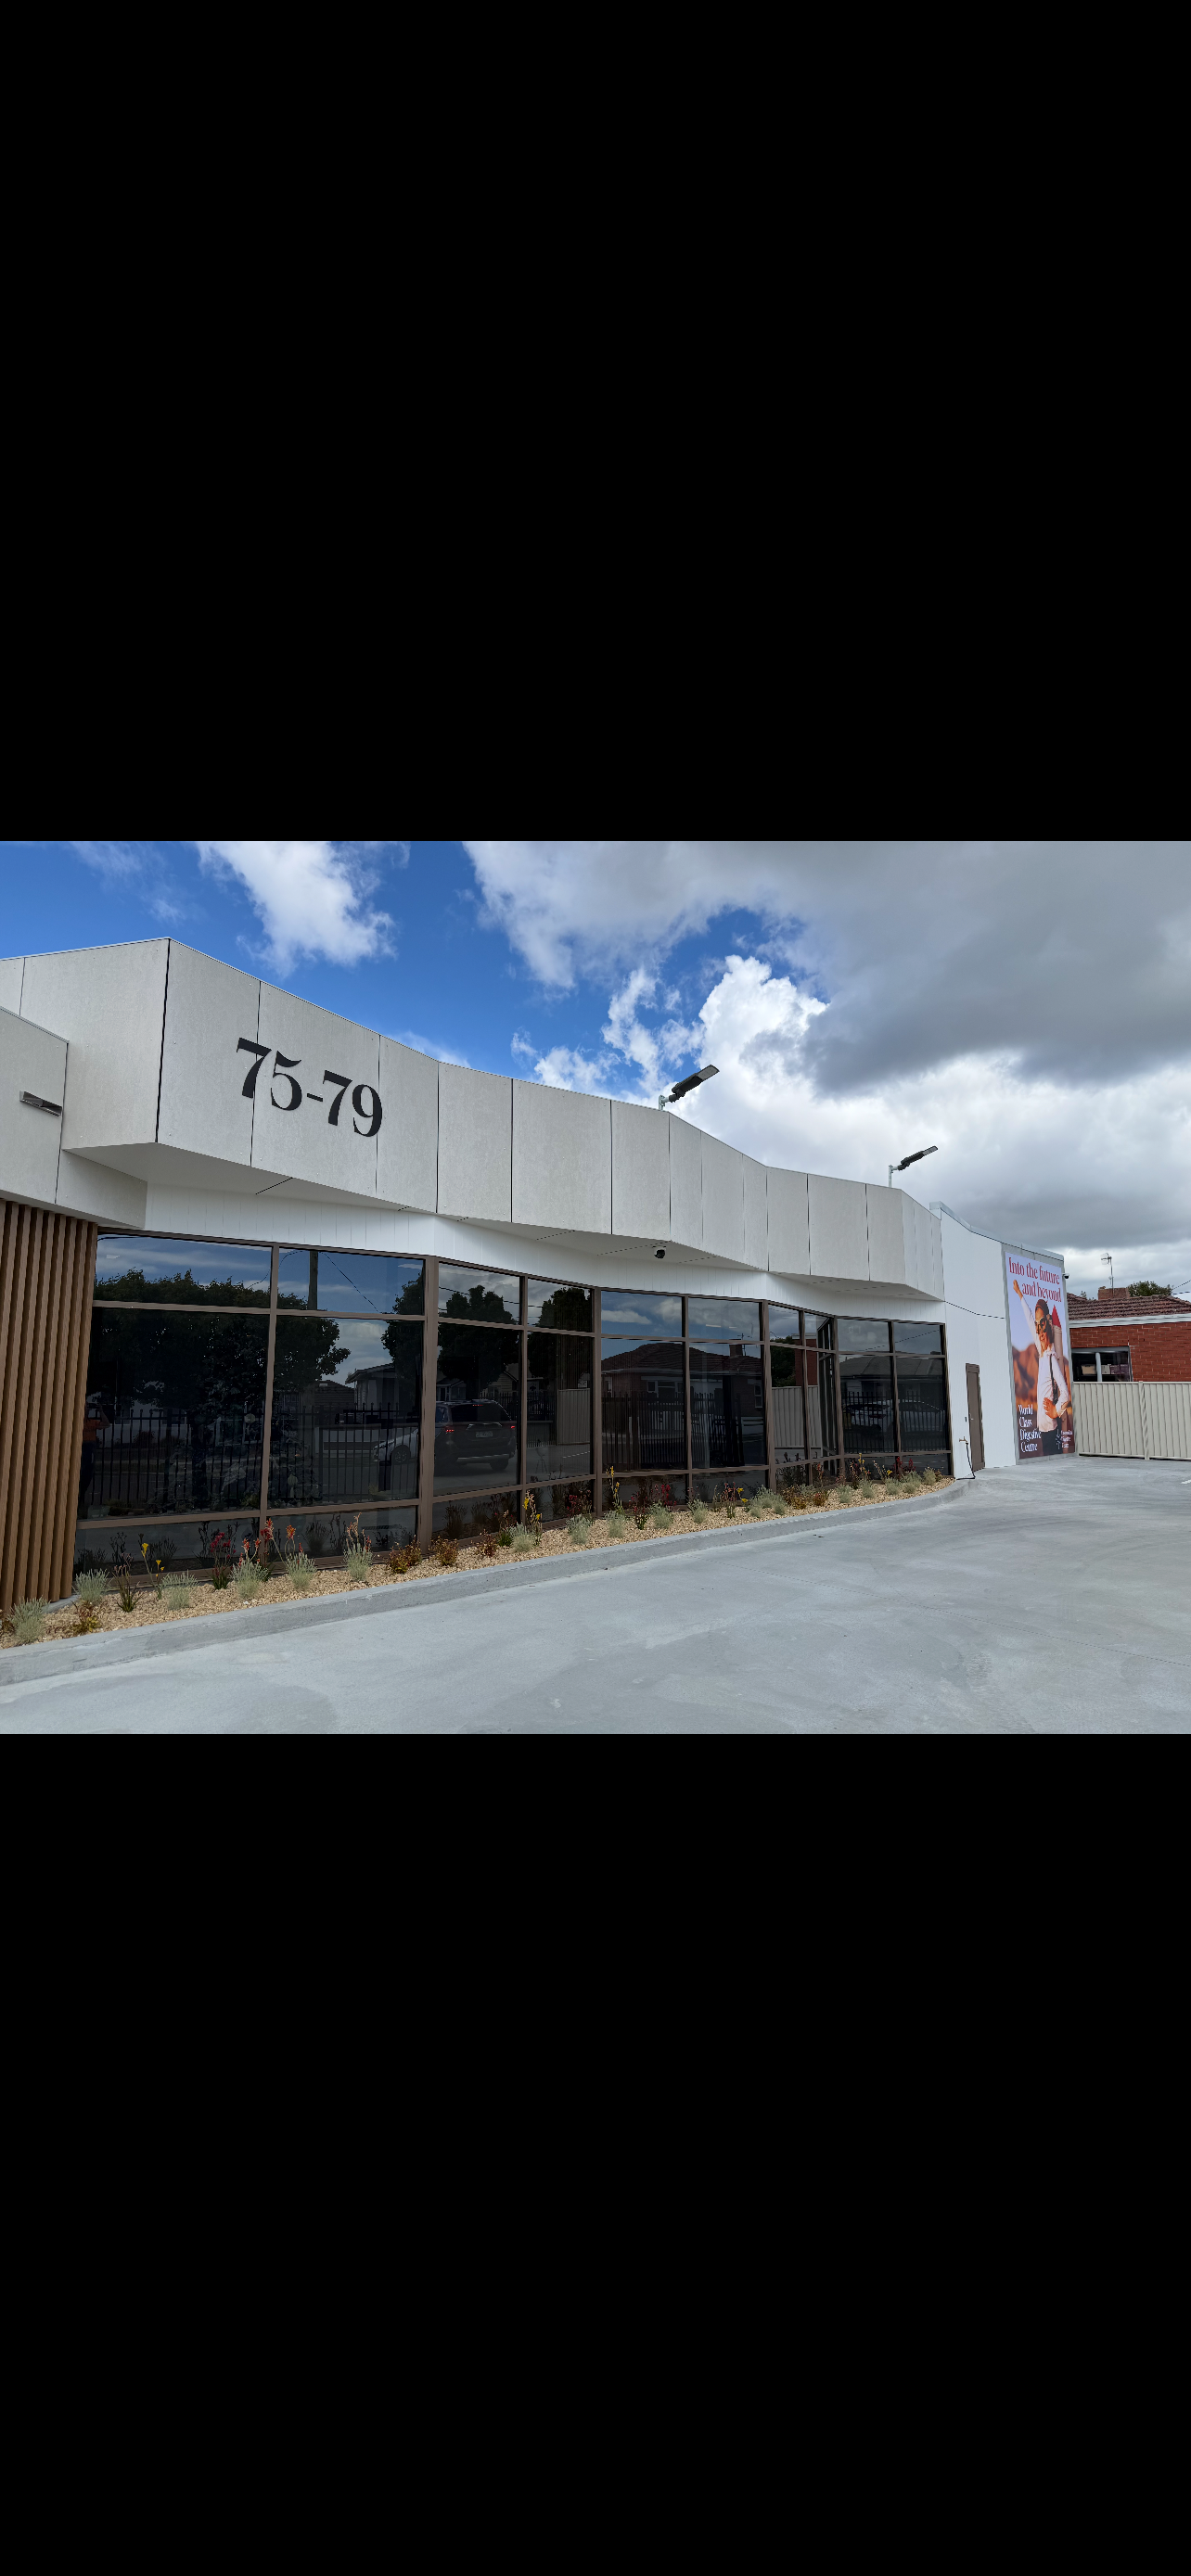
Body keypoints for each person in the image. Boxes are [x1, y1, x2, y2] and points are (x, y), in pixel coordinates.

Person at [1013, 1279, 1071, 1455]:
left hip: (1051, 1428)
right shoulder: (1042, 1352)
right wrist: (1020, 1295)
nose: (1038, 1329)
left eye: (1042, 1324)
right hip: (1043, 1428)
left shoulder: (1051, 1357)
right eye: (1038, 1326)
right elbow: (1031, 1322)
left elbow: (1065, 1393)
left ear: (1048, 1323)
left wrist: (1056, 1410)